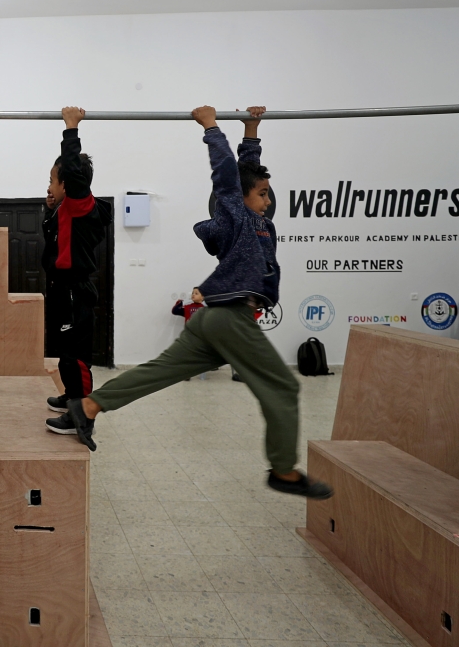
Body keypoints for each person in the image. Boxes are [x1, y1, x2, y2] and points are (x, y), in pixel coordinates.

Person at [47, 106, 333, 500]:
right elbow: (229, 176)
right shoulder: (237, 213)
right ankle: (284, 471)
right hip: (231, 318)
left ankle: (89, 407)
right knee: (283, 388)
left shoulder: (258, 222)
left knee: (157, 373)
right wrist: (212, 128)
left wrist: (251, 129)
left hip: (210, 321)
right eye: (263, 195)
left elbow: (249, 171)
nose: (268, 201)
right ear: (239, 199)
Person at [43, 107, 111, 416]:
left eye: (53, 181)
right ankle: (71, 396)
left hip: (75, 290)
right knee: (64, 351)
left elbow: (71, 169)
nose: (50, 186)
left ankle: (81, 412)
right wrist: (50, 210)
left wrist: (71, 128)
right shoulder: (66, 209)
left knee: (76, 355)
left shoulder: (82, 205)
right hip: (62, 288)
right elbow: (57, 244)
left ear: (68, 184)